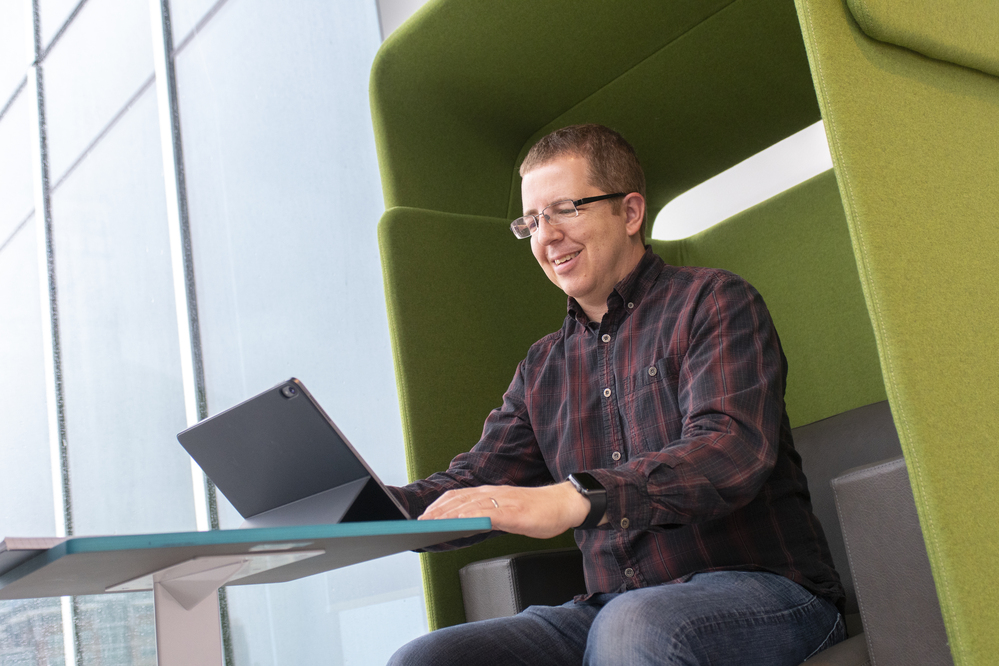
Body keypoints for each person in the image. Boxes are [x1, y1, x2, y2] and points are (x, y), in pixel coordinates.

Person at [387, 124, 845, 665]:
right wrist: (364, 517)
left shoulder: (714, 301)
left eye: (566, 209)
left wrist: (576, 497)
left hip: (764, 593)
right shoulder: (542, 367)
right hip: (612, 607)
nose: (546, 236)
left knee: (633, 626)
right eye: (532, 221)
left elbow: (729, 451)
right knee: (429, 659)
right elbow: (472, 482)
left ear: (630, 213)